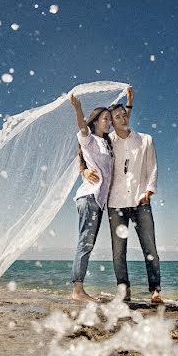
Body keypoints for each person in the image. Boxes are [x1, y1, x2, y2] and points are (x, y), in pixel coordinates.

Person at [83, 90, 163, 304]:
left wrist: (149, 191)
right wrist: (83, 171)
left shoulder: (145, 140)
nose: (122, 119)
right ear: (111, 121)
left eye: (124, 115)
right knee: (119, 250)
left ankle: (155, 290)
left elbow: (152, 167)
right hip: (115, 203)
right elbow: (84, 150)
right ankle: (124, 289)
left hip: (140, 201)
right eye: (116, 117)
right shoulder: (107, 141)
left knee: (150, 247)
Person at [68, 91, 114, 302]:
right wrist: (78, 110)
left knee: (88, 243)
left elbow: (125, 128)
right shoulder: (90, 140)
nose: (110, 122)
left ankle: (79, 288)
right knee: (85, 243)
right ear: (95, 122)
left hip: (98, 201)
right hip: (89, 197)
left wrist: (130, 103)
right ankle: (78, 291)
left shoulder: (107, 142)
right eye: (106, 119)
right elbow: (82, 128)